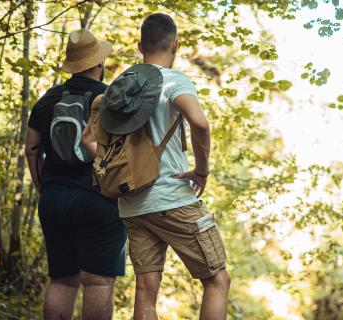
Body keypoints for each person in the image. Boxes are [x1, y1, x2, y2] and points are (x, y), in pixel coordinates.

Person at [87, 13, 231, 320]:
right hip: (171, 198)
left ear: (140, 46)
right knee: (218, 280)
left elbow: (92, 142)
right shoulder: (175, 82)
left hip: (132, 204)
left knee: (146, 291)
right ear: (176, 44)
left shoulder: (119, 86)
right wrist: (201, 171)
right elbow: (200, 124)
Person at [24, 29, 126, 320]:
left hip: (54, 198)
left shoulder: (48, 99)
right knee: (98, 280)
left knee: (62, 281)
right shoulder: (109, 99)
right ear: (99, 64)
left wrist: (43, 187)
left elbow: (31, 149)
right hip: (98, 199)